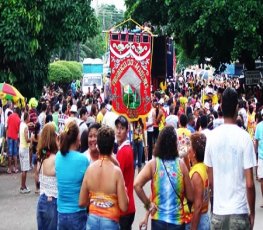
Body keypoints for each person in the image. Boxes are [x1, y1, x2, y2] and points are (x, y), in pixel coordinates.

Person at [204, 87, 256, 229]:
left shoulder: (212, 137)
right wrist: (252, 212)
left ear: (220, 106)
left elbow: (211, 182)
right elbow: (250, 184)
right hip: (239, 212)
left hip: (218, 213)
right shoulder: (245, 138)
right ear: (237, 108)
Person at [134, 126, 194, 230]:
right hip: (177, 222)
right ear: (175, 144)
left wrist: (148, 205)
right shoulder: (181, 166)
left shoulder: (153, 164)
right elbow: (191, 197)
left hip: (158, 221)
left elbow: (136, 185)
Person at [79, 126, 129, 229]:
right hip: (110, 221)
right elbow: (124, 206)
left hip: (92, 220)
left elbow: (82, 202)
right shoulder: (116, 172)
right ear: (112, 147)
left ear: (98, 146)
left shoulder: (90, 169)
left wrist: (95, 201)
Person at [55, 120, 89, 230]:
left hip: (61, 213)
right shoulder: (83, 160)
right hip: (77, 212)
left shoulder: (58, 157)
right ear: (77, 139)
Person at [36, 123, 59, 230]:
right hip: (53, 200)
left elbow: (37, 176)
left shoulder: (41, 156)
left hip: (41, 199)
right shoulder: (56, 158)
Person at [115, 115, 135, 230]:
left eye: (122, 128)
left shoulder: (123, 151)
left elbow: (116, 180)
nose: (118, 131)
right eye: (117, 127)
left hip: (124, 207)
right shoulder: (125, 149)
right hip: (127, 205)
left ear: (127, 131)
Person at [186, 133, 210, 230]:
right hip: (203, 218)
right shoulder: (203, 167)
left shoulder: (196, 174)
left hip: (197, 221)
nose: (188, 149)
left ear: (194, 152)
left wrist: (193, 227)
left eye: (190, 146)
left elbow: (198, 206)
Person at [19, 112, 31, 193]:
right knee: (25, 169)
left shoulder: (21, 125)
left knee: (23, 168)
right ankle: (23, 187)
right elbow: (27, 139)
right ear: (27, 118)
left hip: (21, 147)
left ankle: (23, 186)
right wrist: (32, 138)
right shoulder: (25, 127)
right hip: (25, 148)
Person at [6, 107, 20, 174]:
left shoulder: (10, 116)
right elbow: (18, 130)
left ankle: (9, 169)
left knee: (10, 153)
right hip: (15, 137)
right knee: (15, 153)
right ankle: (15, 168)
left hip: (9, 136)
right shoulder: (18, 119)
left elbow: (7, 126)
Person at [254, 109, 263, 207]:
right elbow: (256, 141)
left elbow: (256, 141)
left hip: (261, 157)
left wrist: (254, 153)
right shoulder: (259, 126)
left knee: (262, 179)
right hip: (261, 157)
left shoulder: (259, 126)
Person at [31, 122, 41, 193]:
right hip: (39, 154)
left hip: (34, 154)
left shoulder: (32, 135)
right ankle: (40, 187)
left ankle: (36, 188)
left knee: (35, 173)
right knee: (39, 172)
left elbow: (31, 146)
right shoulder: (40, 135)